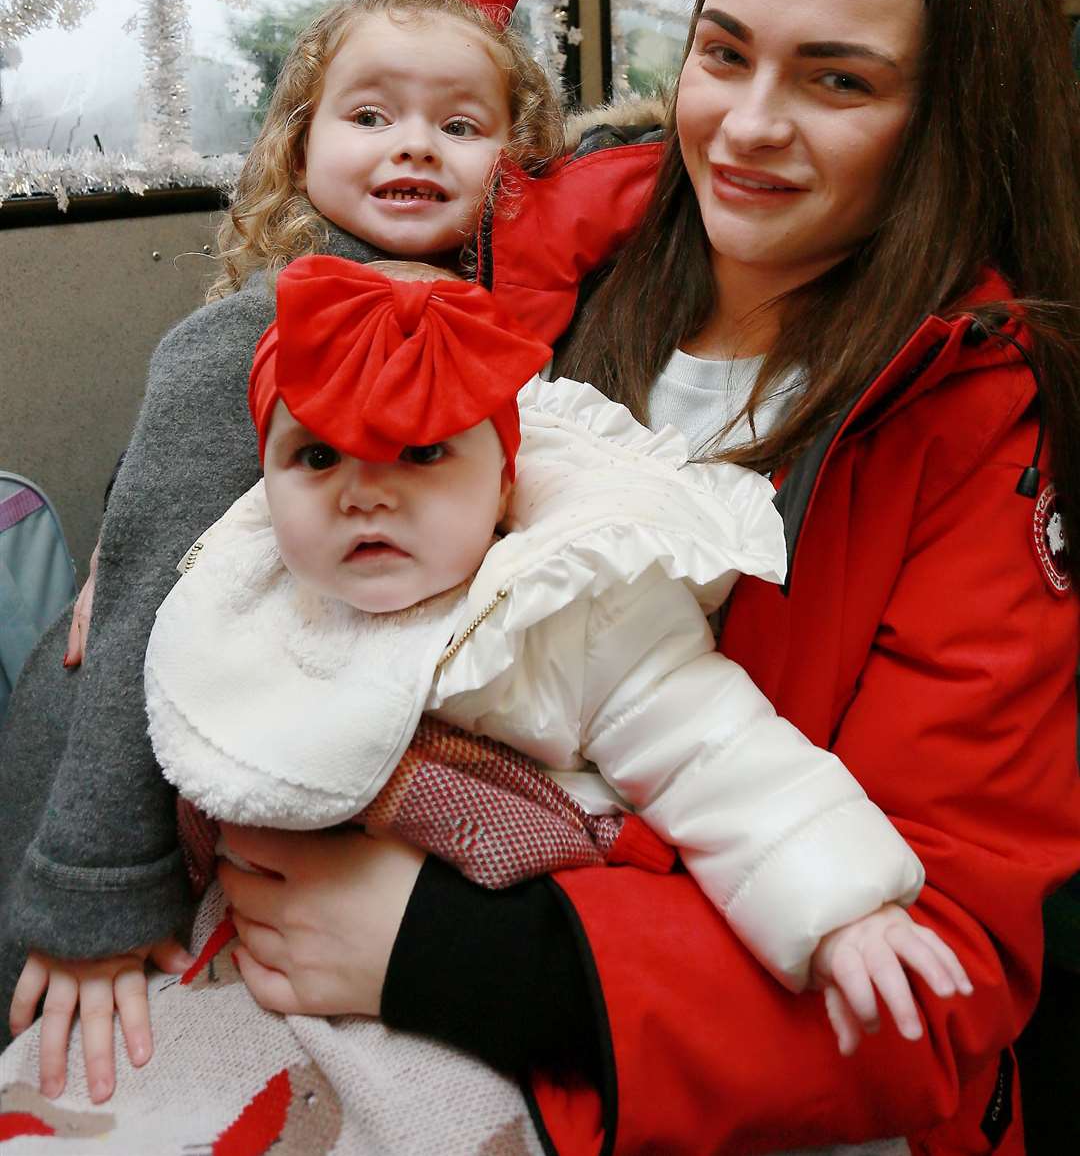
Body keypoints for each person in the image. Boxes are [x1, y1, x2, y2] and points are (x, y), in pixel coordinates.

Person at [200, 0, 1080, 1156]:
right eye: (723, 54)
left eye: (837, 79)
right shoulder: (534, 253)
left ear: (949, 113)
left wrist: (448, 948)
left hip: (642, 1038)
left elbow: (937, 976)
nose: (749, 122)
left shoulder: (974, 418)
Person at [0, 0, 656, 1104]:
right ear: (303, 144)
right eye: (371, 117)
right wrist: (99, 882)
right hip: (106, 758)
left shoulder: (512, 326)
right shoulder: (252, 333)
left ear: (517, 161)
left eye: (460, 125)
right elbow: (145, 590)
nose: (415, 147)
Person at [143, 254, 969, 1061]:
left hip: (500, 962)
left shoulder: (568, 604)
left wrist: (841, 907)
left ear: (505, 482)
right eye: (316, 456)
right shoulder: (257, 586)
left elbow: (710, 746)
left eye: (423, 451)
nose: (365, 489)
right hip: (271, 947)